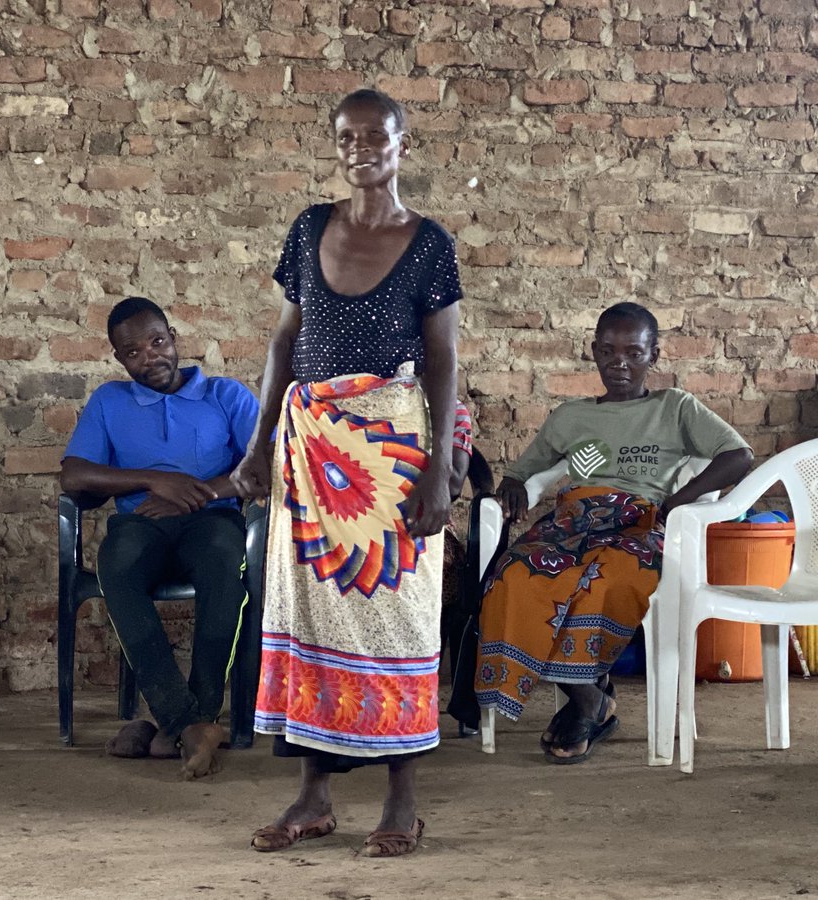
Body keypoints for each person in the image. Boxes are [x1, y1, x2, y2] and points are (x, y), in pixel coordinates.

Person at [232, 88, 460, 857]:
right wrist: (258, 442)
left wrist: (436, 470)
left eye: (378, 135)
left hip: (391, 452)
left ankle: (401, 799)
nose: (362, 147)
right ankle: (313, 795)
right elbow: (283, 343)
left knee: (396, 616)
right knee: (308, 615)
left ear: (404, 145)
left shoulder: (428, 243)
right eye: (348, 136)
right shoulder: (307, 229)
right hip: (307, 449)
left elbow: (443, 358)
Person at [476, 302, 754, 764]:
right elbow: (526, 471)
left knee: (609, 579)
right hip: (574, 520)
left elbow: (738, 455)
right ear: (594, 353)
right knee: (513, 576)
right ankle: (589, 698)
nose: (619, 363)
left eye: (633, 352)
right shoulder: (571, 416)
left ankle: (587, 700)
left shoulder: (675, 406)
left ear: (654, 355)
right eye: (607, 351)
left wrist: (680, 500)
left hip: (641, 521)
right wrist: (510, 488)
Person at [59, 296, 259, 780]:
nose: (150, 357)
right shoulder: (110, 401)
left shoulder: (226, 396)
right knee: (117, 565)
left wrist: (194, 494)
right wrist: (154, 480)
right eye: (133, 352)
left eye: (157, 342)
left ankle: (187, 721)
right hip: (140, 525)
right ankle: (189, 724)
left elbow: (265, 468)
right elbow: (73, 475)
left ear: (174, 338)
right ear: (119, 359)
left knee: (223, 563)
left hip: (212, 522)